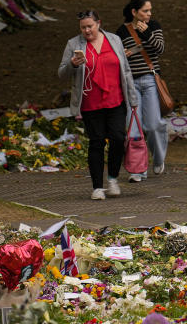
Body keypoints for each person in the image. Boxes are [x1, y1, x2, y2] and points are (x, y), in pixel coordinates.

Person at [58, 10, 138, 200]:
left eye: (90, 26)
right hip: (90, 102)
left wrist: (133, 98)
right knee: (97, 142)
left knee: (118, 138)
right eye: (83, 27)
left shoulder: (114, 40)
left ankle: (112, 178)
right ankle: (97, 187)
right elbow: (62, 73)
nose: (87, 31)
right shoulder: (73, 44)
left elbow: (125, 70)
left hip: (116, 99)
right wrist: (73, 64)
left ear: (98, 23)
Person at [116, 0, 167, 181]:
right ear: (134, 12)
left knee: (153, 125)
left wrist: (146, 34)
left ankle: (159, 158)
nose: (149, 14)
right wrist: (124, 55)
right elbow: (117, 59)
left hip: (150, 80)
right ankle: (138, 170)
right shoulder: (121, 31)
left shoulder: (153, 26)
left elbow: (160, 49)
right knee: (134, 129)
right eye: (145, 11)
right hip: (130, 83)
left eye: (150, 10)